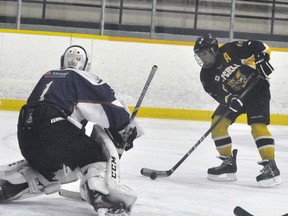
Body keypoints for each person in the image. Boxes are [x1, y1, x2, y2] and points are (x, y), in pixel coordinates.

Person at [0, 45, 143, 215]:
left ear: (62, 60)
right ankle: (100, 195)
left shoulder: (48, 75)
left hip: (26, 135)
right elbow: (108, 106)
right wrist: (125, 126)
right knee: (93, 156)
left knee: (56, 168)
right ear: (85, 65)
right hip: (54, 129)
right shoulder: (81, 76)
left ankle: (15, 183)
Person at [193, 33, 281, 187]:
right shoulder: (206, 75)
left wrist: (262, 59)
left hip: (257, 90)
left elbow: (261, 46)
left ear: (214, 50)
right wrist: (229, 99)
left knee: (257, 126)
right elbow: (218, 94)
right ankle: (228, 163)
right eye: (200, 55)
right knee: (217, 125)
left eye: (204, 53)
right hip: (235, 97)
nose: (202, 58)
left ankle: (271, 166)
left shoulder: (231, 50)